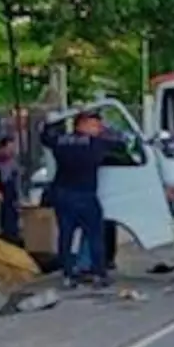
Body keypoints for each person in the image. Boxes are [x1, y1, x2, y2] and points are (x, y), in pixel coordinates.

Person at [41, 111, 125, 289]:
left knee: (66, 236)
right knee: (95, 235)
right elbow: (120, 141)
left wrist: (53, 122)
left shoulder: (61, 141)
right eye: (95, 125)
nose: (99, 128)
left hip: (63, 194)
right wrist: (107, 131)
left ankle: (68, 275)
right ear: (82, 124)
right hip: (85, 194)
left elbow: (45, 137)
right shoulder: (97, 142)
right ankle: (98, 274)